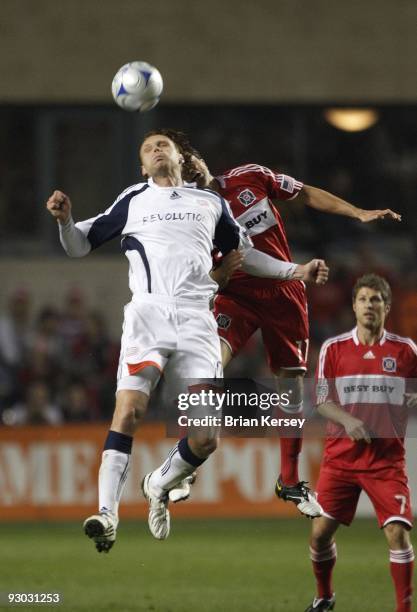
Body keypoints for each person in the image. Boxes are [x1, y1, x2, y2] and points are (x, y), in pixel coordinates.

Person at [45, 130, 328, 552]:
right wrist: (66, 220)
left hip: (198, 321)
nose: (157, 150)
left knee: (205, 438)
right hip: (149, 315)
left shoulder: (211, 204)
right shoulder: (133, 199)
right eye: (148, 148)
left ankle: (158, 482)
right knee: (130, 409)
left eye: (163, 145)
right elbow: (79, 246)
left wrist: (295, 270)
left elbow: (245, 255)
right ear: (143, 166)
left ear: (179, 156)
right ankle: (107, 514)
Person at [154, 129, 401, 517]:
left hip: (284, 295)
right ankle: (186, 463)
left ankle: (288, 481)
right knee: (207, 368)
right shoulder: (189, 215)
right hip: (235, 296)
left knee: (289, 389)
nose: (190, 169)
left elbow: (303, 193)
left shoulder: (248, 177)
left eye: (191, 160)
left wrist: (356, 212)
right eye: (182, 169)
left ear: (200, 159)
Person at [305, 274, 416, 612]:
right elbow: (322, 401)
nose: (370, 305)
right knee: (319, 536)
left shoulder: (406, 350)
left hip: (385, 462)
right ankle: (324, 596)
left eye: (376, 299)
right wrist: (348, 420)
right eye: (364, 299)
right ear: (353, 306)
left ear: (386, 306)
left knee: (398, 535)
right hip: (340, 460)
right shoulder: (333, 349)